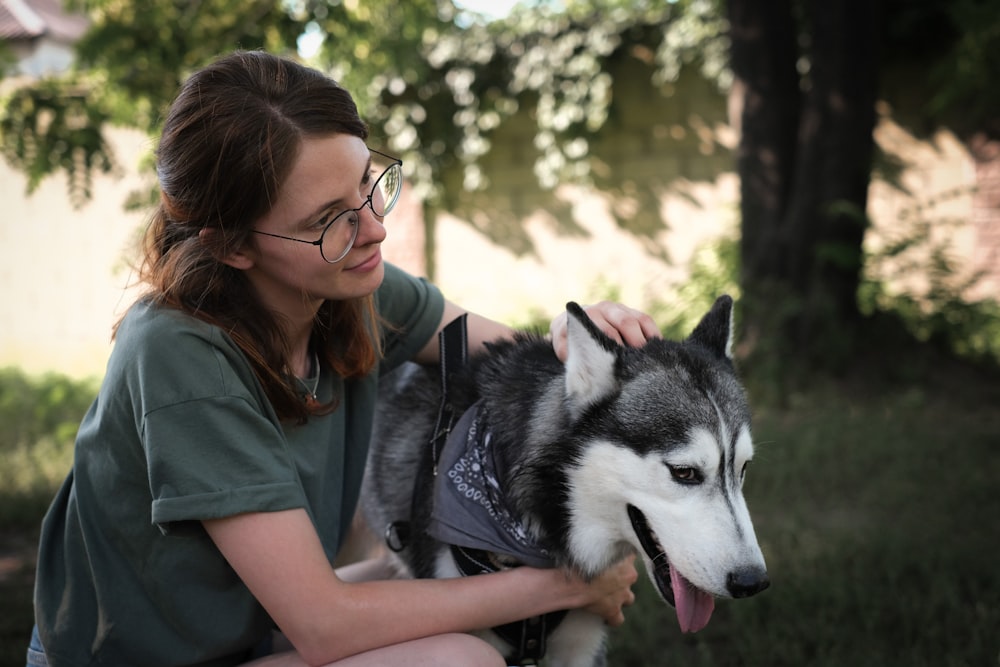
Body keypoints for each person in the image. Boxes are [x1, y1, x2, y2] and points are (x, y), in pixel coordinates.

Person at [28, 49, 661, 667]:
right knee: (455, 660)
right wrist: (565, 586)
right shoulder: (179, 355)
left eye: (369, 183)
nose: (376, 229)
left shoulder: (345, 288)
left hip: (249, 634)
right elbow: (324, 627)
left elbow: (512, 363)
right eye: (330, 220)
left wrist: (570, 334)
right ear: (232, 246)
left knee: (415, 574)